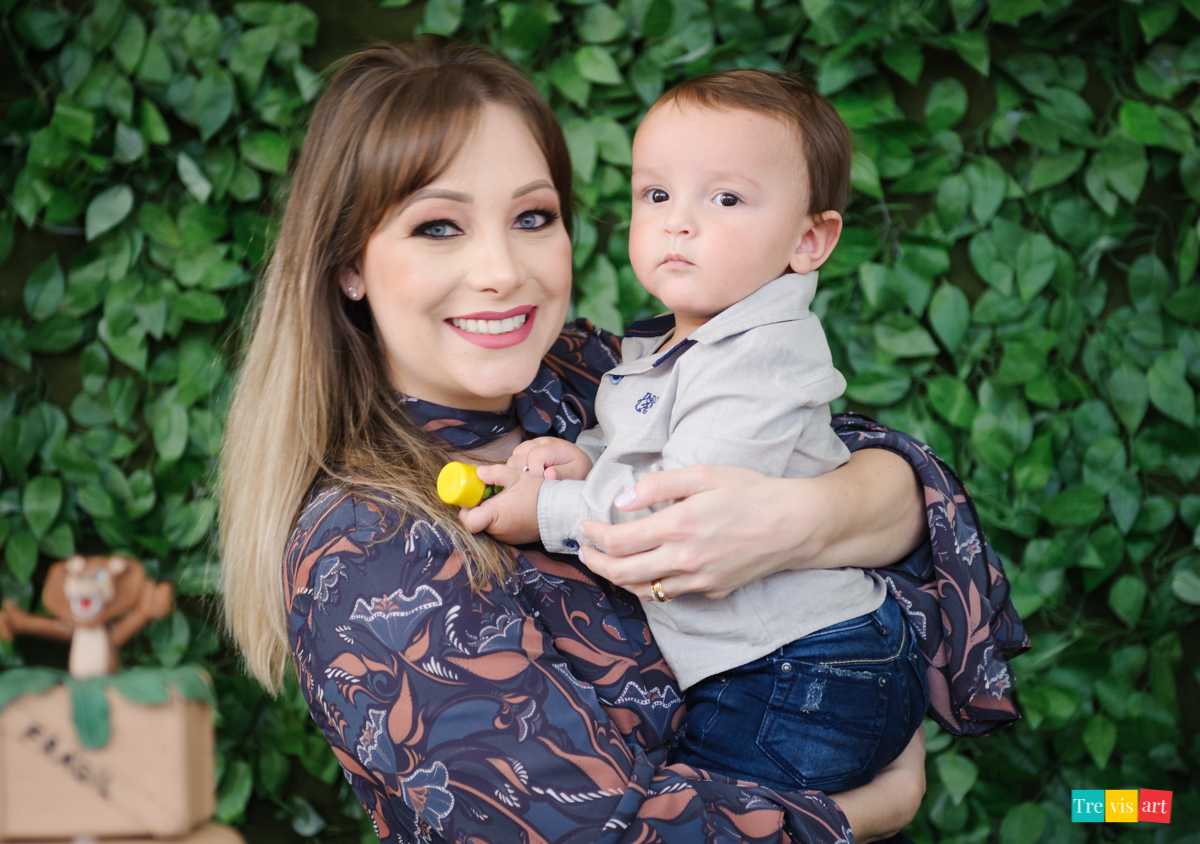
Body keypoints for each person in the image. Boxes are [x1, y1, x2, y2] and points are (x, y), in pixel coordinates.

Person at [219, 37, 1022, 844]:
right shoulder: (369, 549)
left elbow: (910, 487)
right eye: (438, 227)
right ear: (349, 263)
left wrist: (798, 519)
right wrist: (861, 814)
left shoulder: (584, 368)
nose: (501, 269)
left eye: (533, 217)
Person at [472, 70, 928, 795]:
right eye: (656, 195)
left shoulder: (758, 357)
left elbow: (675, 514)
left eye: (725, 198)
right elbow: (643, 446)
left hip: (802, 665)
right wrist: (582, 459)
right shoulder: (667, 347)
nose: (678, 222)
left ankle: (1143, 811)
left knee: (704, 813)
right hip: (783, 661)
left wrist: (548, 512)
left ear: (810, 239)